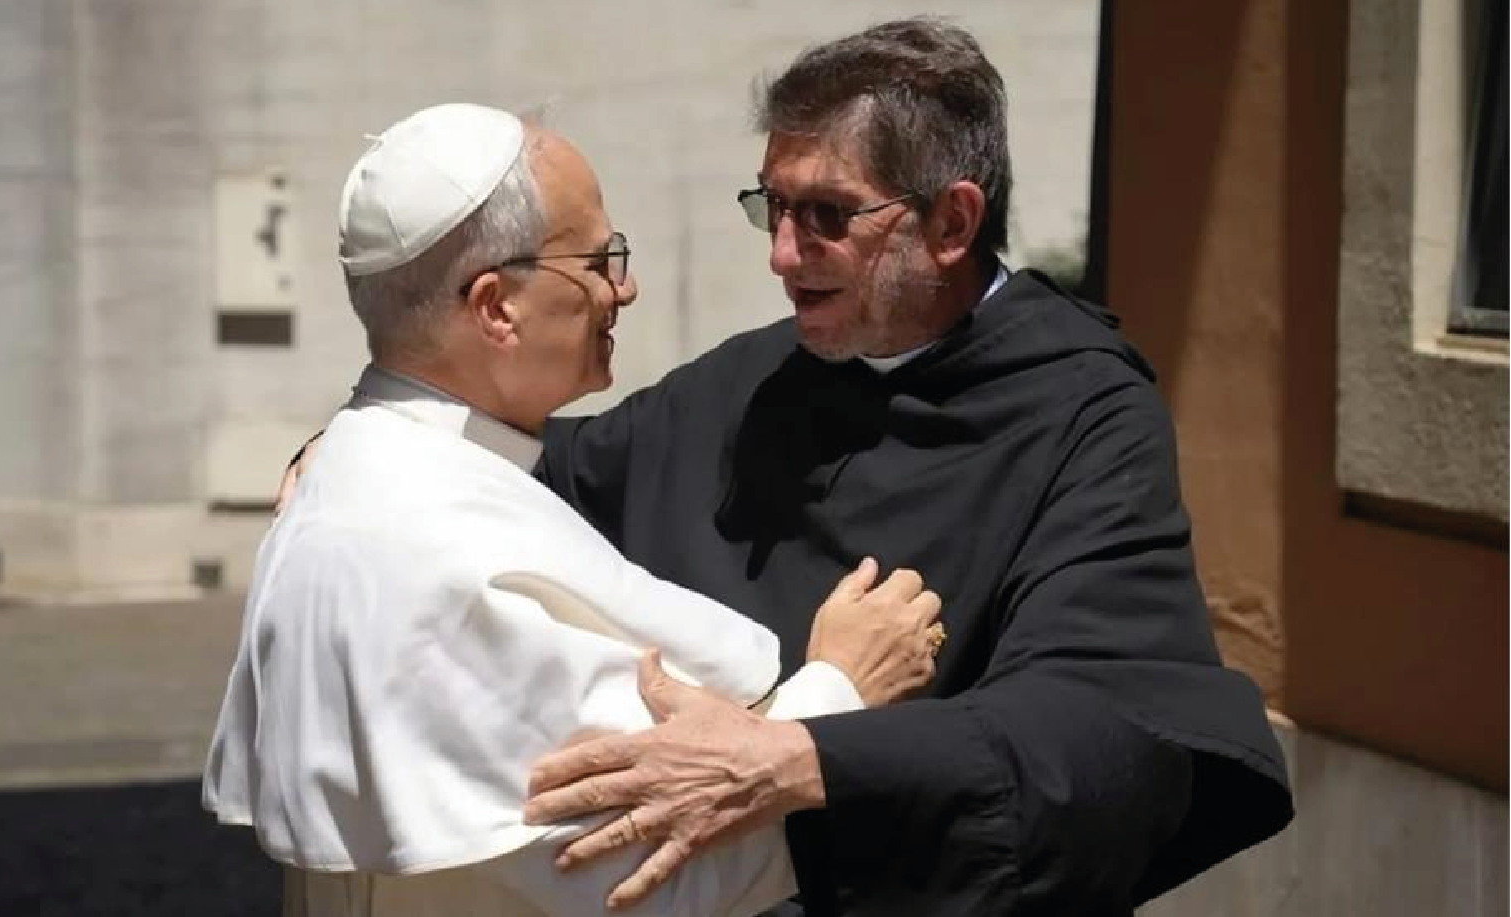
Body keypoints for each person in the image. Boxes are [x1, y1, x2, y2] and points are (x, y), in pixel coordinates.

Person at [511, 17, 1294, 917]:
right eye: (773, 206)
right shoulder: (748, 379)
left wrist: (797, 757)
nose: (780, 254)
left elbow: (1090, 726)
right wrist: (389, 420)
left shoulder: (1085, 413)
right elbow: (534, 476)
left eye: (826, 215)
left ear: (951, 221)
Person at [203, 102, 948, 917]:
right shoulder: (434, 551)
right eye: (597, 260)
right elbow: (639, 876)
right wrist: (841, 689)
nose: (622, 287)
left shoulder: (358, 470)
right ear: (496, 306)